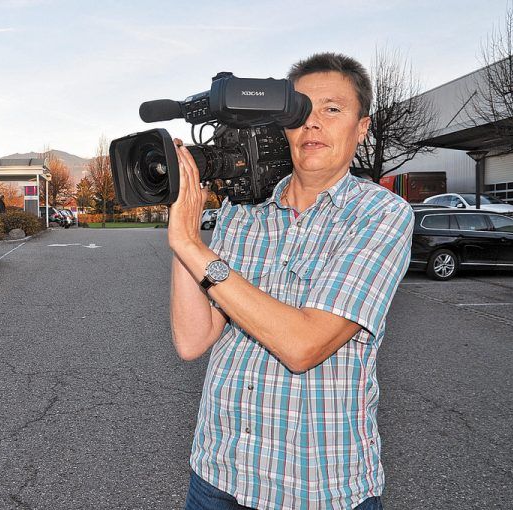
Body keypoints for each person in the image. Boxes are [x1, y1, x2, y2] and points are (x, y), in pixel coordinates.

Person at [168, 53, 414, 510]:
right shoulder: (242, 213)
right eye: (300, 110)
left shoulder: (380, 214)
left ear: (362, 128)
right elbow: (192, 339)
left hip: (316, 489)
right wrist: (186, 236)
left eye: (332, 109)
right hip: (217, 474)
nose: (313, 123)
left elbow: (303, 345)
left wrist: (192, 248)